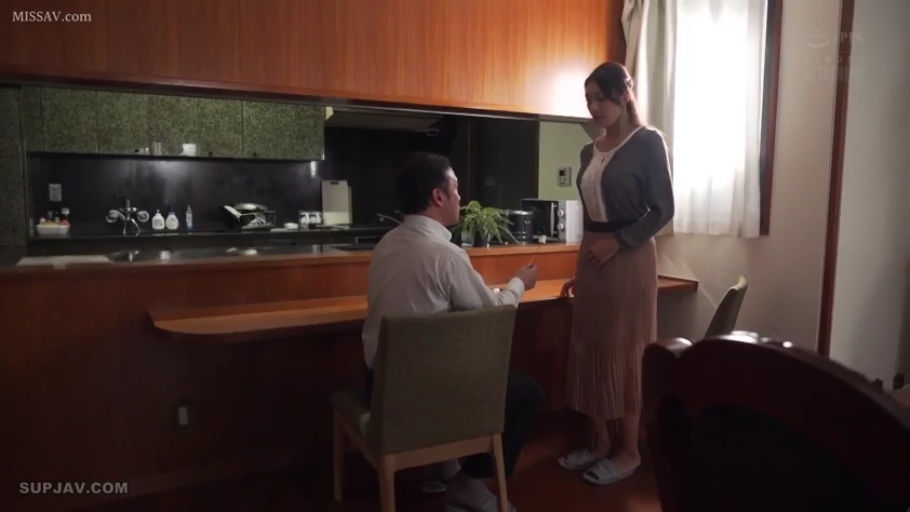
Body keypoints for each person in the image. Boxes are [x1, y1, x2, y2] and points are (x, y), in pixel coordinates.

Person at [361, 151, 544, 512]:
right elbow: (494, 314)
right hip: (422, 398)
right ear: (438, 196)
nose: (461, 197)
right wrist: (519, 283)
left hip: (379, 387)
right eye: (456, 188)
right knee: (528, 394)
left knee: (439, 361)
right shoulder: (444, 255)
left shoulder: (385, 245)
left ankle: (444, 466)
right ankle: (469, 485)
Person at [556, 62, 674, 485]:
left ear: (624, 95)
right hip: (593, 259)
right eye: (588, 100)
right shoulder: (588, 151)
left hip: (630, 258)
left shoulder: (648, 142)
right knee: (589, 345)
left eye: (600, 98)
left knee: (625, 350)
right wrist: (582, 270)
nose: (593, 107)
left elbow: (663, 210)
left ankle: (630, 451)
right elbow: (592, 216)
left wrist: (619, 241)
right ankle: (600, 442)